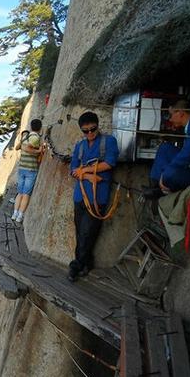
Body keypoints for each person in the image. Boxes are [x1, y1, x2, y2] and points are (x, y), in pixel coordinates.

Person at [68, 112, 119, 282]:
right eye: (86, 131)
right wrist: (88, 176)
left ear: (98, 126)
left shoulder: (108, 141)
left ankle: (75, 266)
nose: (90, 133)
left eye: (93, 129)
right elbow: (73, 169)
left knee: (87, 233)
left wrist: (86, 170)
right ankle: (86, 264)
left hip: (97, 197)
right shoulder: (80, 146)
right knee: (81, 233)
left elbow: (109, 162)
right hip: (80, 196)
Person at [12, 119, 43, 223]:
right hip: (30, 169)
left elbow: (17, 147)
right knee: (26, 194)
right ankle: (20, 216)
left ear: (31, 126)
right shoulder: (35, 137)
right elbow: (28, 148)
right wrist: (38, 150)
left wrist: (23, 145)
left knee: (20, 193)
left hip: (22, 168)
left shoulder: (25, 136)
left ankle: (14, 214)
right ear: (40, 127)